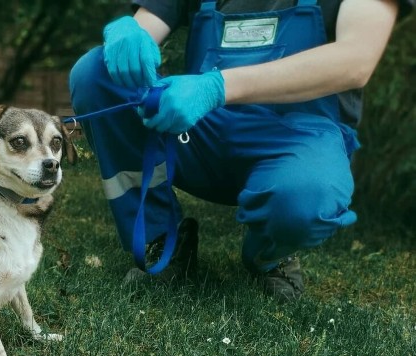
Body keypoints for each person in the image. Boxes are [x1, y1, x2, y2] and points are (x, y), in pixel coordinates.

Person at [69, 0, 411, 301]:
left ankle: (268, 252)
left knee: (304, 199)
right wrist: (128, 34)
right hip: (199, 128)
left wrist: (218, 87)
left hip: (299, 137)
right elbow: (145, 28)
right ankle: (160, 239)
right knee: (95, 71)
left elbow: (355, 60)